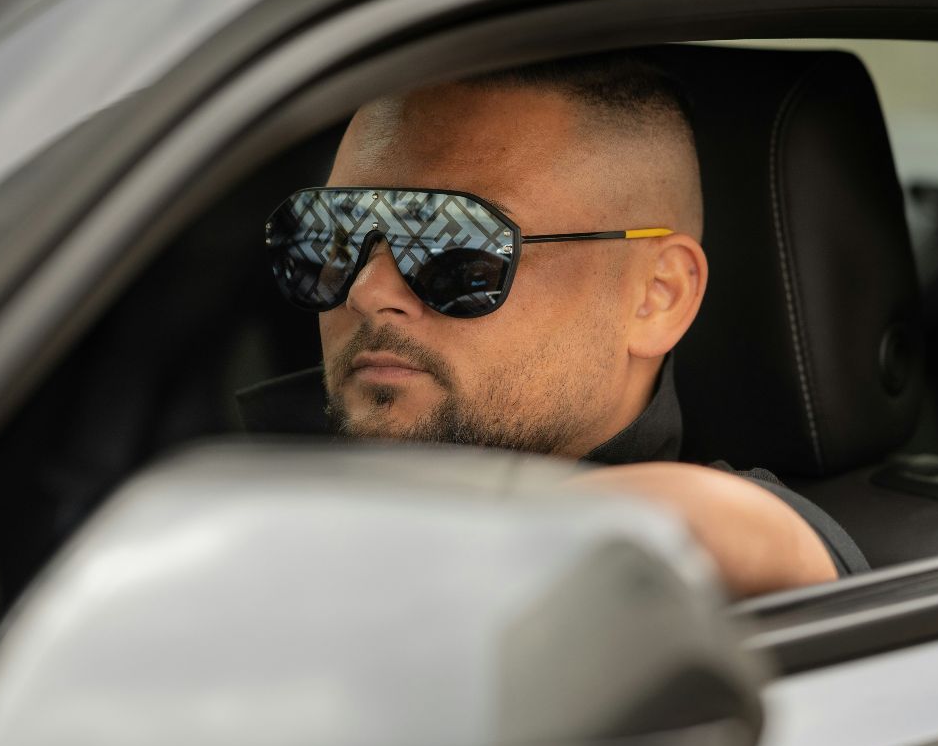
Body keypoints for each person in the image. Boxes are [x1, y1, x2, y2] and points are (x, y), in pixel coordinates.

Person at [239, 52, 865, 596]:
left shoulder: (708, 565)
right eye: (334, 235)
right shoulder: (236, 470)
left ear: (658, 297)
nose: (368, 291)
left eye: (457, 249)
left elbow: (741, 531)